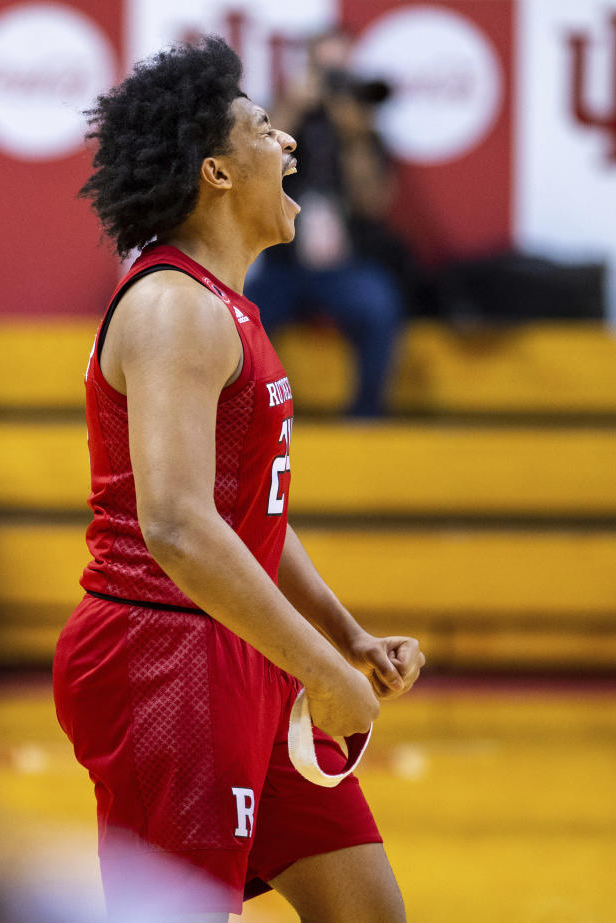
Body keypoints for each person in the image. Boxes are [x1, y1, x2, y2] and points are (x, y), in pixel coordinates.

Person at [52, 36, 424, 922]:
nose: (290, 143)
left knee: (369, 909)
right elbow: (178, 527)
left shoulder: (226, 303)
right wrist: (318, 667)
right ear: (217, 172)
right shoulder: (174, 307)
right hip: (166, 657)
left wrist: (346, 638)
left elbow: (249, 512)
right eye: (266, 129)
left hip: (235, 643)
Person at [245, 28, 409, 417]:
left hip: (345, 267)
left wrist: (354, 138)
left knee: (380, 302)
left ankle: (366, 415)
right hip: (285, 266)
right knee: (244, 315)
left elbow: (374, 204)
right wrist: (291, 109)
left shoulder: (364, 134)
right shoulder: (279, 126)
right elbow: (252, 180)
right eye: (325, 72)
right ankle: (263, 419)